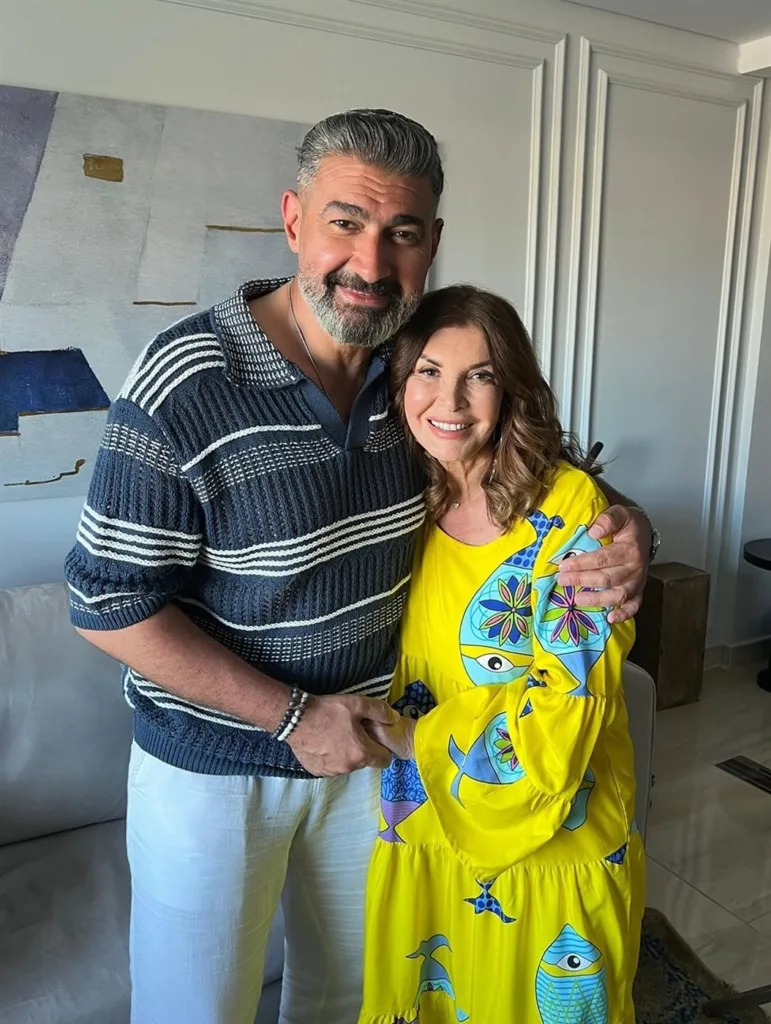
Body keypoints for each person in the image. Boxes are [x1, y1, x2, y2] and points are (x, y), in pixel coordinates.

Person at [64, 110, 653, 1024]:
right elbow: (106, 604)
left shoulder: (410, 363)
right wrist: (291, 716)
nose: (370, 263)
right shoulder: (187, 378)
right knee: (195, 1009)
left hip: (375, 757)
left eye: (400, 233)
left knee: (352, 999)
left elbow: (532, 469)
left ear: (431, 244)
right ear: (293, 220)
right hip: (216, 769)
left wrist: (629, 529)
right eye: (345, 222)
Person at [359, 284, 645, 1024]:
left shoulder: (573, 511)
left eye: (479, 375)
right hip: (424, 829)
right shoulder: (395, 499)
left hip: (556, 842)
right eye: (427, 371)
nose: (449, 400)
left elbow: (565, 706)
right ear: (398, 381)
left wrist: (418, 739)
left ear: (511, 387)